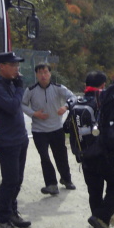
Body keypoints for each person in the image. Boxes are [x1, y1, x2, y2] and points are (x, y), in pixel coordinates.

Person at [75, 71, 114, 228]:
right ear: (103, 85)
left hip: (84, 155)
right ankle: (101, 217)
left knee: (94, 192)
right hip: (104, 153)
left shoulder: (77, 101)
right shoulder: (104, 100)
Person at [0, 52, 30, 228]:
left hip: (20, 138)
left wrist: (17, 87)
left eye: (17, 65)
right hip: (7, 141)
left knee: (17, 180)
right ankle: (2, 221)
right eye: (12, 65)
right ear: (2, 66)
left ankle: (12, 212)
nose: (16, 68)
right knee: (9, 181)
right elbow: (12, 107)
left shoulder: (11, 84)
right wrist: (20, 89)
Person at [23, 63, 76, 195]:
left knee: (61, 156)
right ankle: (51, 184)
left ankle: (66, 179)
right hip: (39, 130)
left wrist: (65, 107)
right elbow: (22, 105)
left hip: (56, 129)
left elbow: (73, 98)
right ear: (36, 75)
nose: (43, 75)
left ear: (50, 74)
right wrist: (34, 114)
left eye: (45, 72)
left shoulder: (58, 88)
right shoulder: (30, 90)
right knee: (44, 157)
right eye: (40, 73)